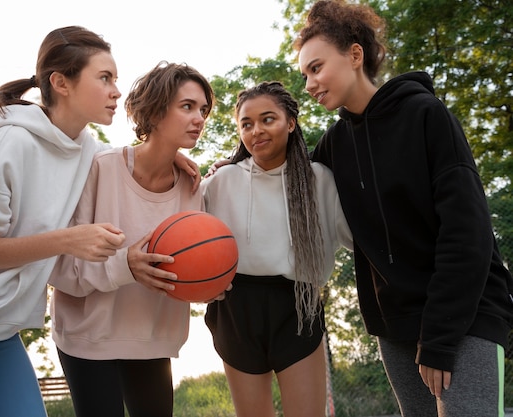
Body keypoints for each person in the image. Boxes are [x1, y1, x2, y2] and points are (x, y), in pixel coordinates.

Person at [0, 26, 201, 417]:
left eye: (116, 80)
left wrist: (168, 153)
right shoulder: (10, 143)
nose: (116, 91)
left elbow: (122, 158)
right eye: (104, 78)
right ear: (61, 82)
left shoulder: (84, 147)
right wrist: (66, 240)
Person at [294, 1, 513, 416]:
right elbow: (284, 173)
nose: (309, 83)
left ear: (355, 55)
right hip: (396, 327)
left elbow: (468, 232)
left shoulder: (425, 114)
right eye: (305, 74)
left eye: (317, 67)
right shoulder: (335, 144)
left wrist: (439, 337)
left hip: (464, 315)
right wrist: (232, 162)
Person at [48, 61, 215, 417]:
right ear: (154, 111)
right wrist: (126, 265)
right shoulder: (99, 168)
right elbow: (61, 268)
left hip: (152, 340)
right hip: (88, 339)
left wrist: (207, 282)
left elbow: (189, 268)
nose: (199, 118)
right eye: (187, 107)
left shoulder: (191, 186)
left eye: (203, 109)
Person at [201, 81, 352, 417]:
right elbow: (187, 239)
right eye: (247, 124)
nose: (256, 130)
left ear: (291, 122)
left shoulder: (319, 179)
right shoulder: (221, 181)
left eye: (268, 119)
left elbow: (355, 238)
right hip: (236, 307)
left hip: (298, 305)